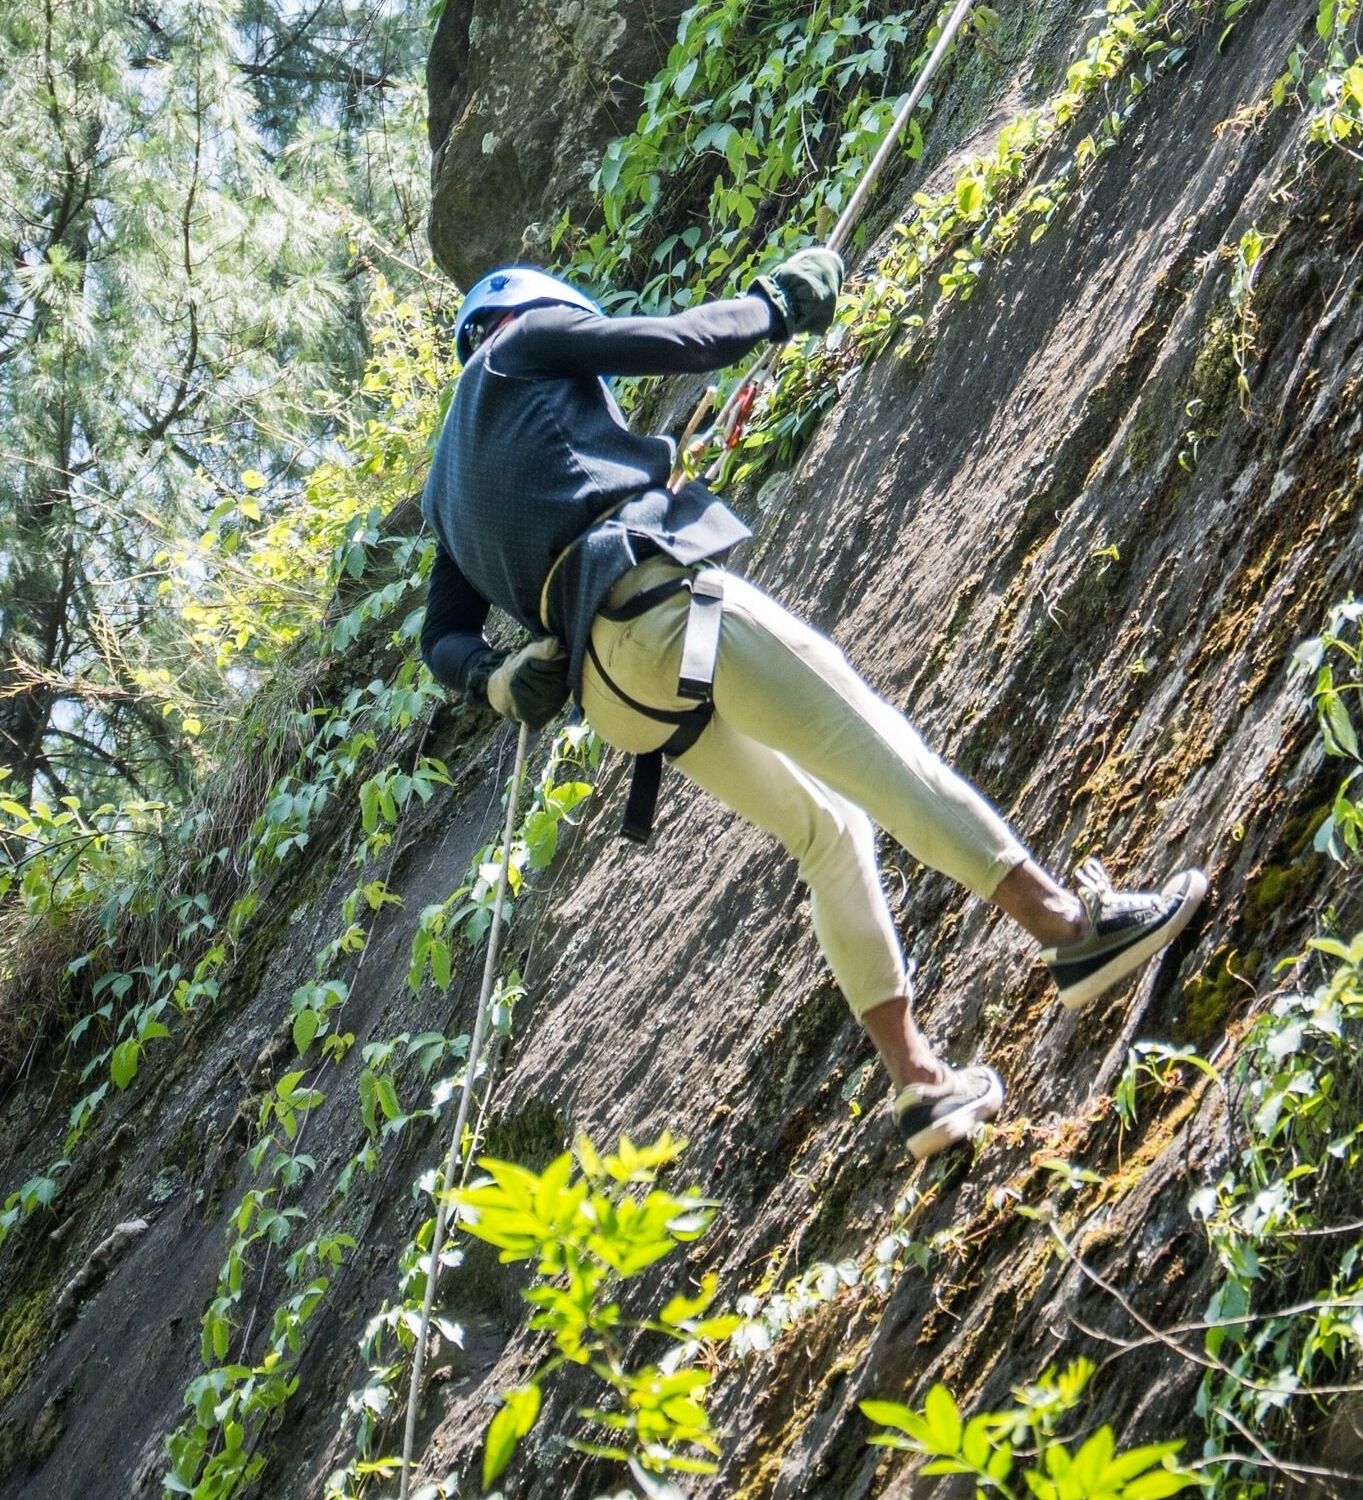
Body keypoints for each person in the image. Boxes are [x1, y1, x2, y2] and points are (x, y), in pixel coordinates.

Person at [420, 251, 1207, 1160]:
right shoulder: (524, 345)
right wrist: (772, 306)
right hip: (662, 607)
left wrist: (488, 676)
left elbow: (439, 632)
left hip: (617, 698)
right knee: (875, 751)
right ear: (529, 315)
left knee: (829, 831)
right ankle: (1072, 929)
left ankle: (920, 1087)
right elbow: (676, 341)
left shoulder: (446, 485)